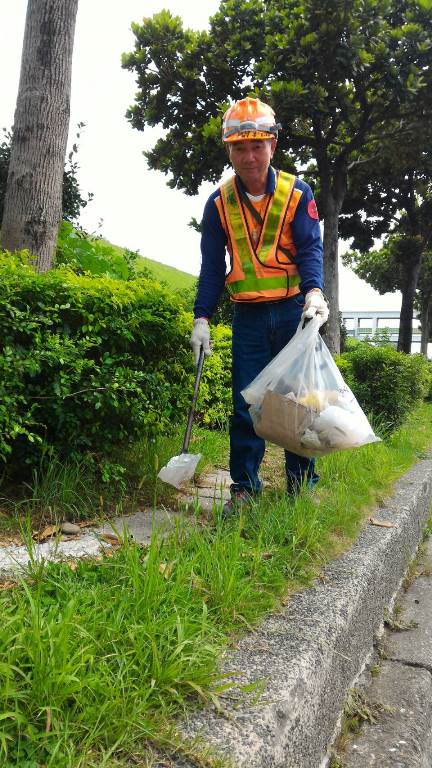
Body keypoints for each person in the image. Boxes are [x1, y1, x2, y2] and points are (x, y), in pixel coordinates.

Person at [190, 97, 328, 513]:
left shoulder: (296, 192)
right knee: (246, 405)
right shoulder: (219, 203)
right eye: (239, 147)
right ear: (229, 150)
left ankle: (301, 485)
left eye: (257, 145)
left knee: (297, 402)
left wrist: (315, 292)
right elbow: (213, 267)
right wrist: (202, 317)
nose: (249, 157)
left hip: (292, 313)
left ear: (272, 146)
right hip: (248, 316)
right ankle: (245, 489)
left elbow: (309, 249)